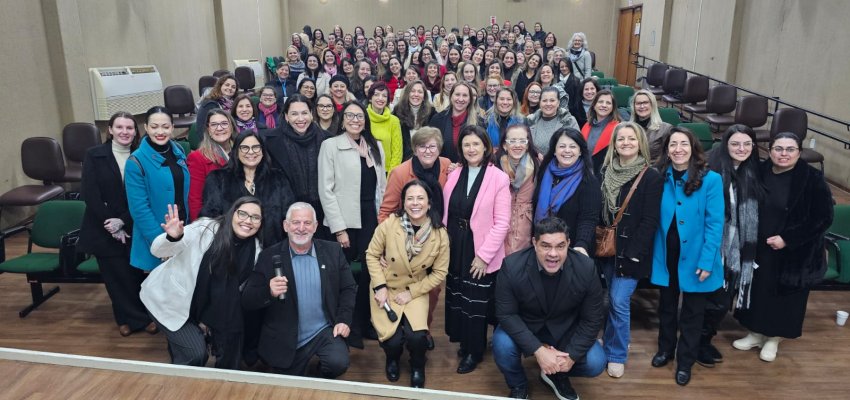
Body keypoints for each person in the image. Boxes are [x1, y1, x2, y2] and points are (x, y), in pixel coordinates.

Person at [732, 132, 833, 362]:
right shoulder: (759, 170)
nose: (783, 154)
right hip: (760, 246)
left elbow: (823, 217)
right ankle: (755, 333)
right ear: (770, 150)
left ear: (799, 152)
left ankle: (773, 339)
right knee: (759, 291)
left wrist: (788, 239)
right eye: (778, 149)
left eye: (790, 149)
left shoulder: (812, 178)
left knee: (785, 297)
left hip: (794, 251)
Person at [140, 198, 263, 369]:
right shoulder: (205, 229)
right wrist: (172, 237)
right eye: (242, 213)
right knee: (196, 353)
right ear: (232, 213)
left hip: (200, 307)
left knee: (223, 337)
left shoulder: (255, 249)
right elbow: (157, 250)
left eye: (255, 217)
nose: (248, 220)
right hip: (167, 301)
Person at [493, 216, 605, 400]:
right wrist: (538, 350)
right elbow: (506, 314)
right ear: (534, 243)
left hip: (566, 330)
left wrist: (572, 356)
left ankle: (557, 375)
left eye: (560, 246)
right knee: (502, 344)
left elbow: (592, 318)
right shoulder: (512, 266)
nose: (553, 254)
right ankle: (518, 385)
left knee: (596, 362)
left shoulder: (586, 268)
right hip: (527, 327)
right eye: (546, 246)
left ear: (568, 244)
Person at [241, 202, 356, 378]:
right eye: (295, 222)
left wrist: (343, 319)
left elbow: (348, 288)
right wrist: (268, 291)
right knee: (288, 384)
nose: (301, 228)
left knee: (337, 362)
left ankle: (320, 374)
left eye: (307, 223)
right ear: (286, 226)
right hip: (285, 334)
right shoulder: (268, 256)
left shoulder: (332, 251)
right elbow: (248, 299)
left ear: (316, 226)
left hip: (323, 330)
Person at [650, 127, 724, 386]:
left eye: (683, 144)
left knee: (693, 312)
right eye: (673, 144)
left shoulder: (711, 179)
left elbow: (715, 224)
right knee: (666, 306)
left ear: (693, 148)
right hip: (666, 253)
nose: (678, 149)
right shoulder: (659, 175)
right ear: (667, 150)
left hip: (696, 256)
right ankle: (665, 350)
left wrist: (706, 261)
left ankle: (685, 362)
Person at [78, 111, 156, 337]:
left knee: (134, 274)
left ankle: (140, 316)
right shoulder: (94, 155)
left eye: (129, 128)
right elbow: (90, 193)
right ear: (110, 130)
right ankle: (127, 318)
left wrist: (123, 221)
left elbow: (146, 195)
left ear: (136, 132)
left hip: (134, 222)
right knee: (115, 275)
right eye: (119, 127)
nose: (124, 132)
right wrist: (111, 224)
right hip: (103, 226)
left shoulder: (143, 155)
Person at [366, 180, 449, 388]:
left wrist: (412, 293)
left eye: (420, 198)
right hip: (387, 287)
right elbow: (372, 255)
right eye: (410, 198)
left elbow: (440, 273)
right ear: (403, 202)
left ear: (429, 203)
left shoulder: (440, 234)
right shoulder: (390, 224)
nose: (415, 203)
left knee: (418, 338)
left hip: (416, 289)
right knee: (391, 341)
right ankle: (392, 359)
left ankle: (417, 365)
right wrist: (380, 286)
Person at [442, 125, 511, 374]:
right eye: (466, 144)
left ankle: (475, 351)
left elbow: (502, 222)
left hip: (479, 247)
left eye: (476, 144)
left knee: (476, 302)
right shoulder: (455, 173)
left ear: (486, 147)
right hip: (455, 243)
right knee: (458, 295)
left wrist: (483, 256)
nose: (471, 149)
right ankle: (464, 342)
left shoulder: (499, 178)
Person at [319, 100, 387, 347]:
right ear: (342, 118)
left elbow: (382, 187)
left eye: (360, 116)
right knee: (344, 276)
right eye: (350, 116)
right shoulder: (330, 146)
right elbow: (326, 191)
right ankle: (343, 323)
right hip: (344, 221)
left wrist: (383, 222)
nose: (355, 120)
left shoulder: (375, 146)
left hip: (371, 217)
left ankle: (364, 322)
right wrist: (339, 228)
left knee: (370, 273)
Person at [598, 122, 663, 378]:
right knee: (606, 300)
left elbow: (650, 220)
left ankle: (617, 354)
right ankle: (610, 340)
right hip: (605, 247)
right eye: (621, 139)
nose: (625, 143)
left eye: (631, 139)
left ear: (640, 143)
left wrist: (634, 251)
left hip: (631, 252)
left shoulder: (651, 176)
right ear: (614, 144)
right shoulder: (604, 170)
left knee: (618, 300)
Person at [697, 125, 762, 367]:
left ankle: (704, 339)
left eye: (747, 144)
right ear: (725, 145)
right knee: (713, 301)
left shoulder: (753, 172)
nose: (741, 149)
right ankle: (698, 342)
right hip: (714, 247)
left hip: (738, 251)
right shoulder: (710, 171)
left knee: (721, 301)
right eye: (735, 144)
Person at [201, 131, 294, 246]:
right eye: (244, 148)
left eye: (256, 147)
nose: (251, 152)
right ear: (236, 152)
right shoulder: (218, 179)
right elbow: (211, 218)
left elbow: (289, 215)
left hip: (271, 250)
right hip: (231, 249)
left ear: (263, 151)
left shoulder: (278, 178)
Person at [126, 106, 190, 271]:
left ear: (173, 127)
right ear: (146, 127)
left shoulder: (179, 150)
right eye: (154, 127)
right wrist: (162, 243)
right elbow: (139, 209)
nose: (160, 132)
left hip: (182, 229)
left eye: (165, 126)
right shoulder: (135, 161)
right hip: (157, 236)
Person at [262, 94, 332, 240]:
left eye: (304, 113)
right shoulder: (270, 141)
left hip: (323, 214)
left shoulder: (327, 139)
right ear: (286, 117)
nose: (300, 119)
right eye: (294, 114)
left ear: (312, 114)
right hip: (285, 214)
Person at [496, 123, 539, 255]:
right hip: (501, 219)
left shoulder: (538, 164)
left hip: (527, 222)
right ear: (504, 145)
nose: (517, 145)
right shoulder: (495, 164)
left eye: (522, 141)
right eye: (512, 141)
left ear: (527, 144)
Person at [188, 109, 233, 220]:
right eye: (214, 125)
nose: (219, 128)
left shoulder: (241, 150)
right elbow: (195, 200)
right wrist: (200, 228)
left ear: (231, 126)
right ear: (208, 129)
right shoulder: (197, 158)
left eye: (224, 123)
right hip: (215, 220)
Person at [429, 82, 482, 162]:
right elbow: (430, 148)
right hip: (442, 169)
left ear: (470, 99)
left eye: (465, 95)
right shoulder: (437, 120)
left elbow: (482, 151)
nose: (460, 99)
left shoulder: (480, 122)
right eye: (457, 94)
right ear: (451, 96)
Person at [527, 87, 581, 154]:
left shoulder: (569, 121)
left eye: (552, 100)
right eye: (544, 101)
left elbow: (577, 146)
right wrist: (536, 155)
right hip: (535, 163)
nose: (548, 104)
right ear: (540, 103)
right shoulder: (530, 121)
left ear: (558, 103)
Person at [582, 89, 621, 176]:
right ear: (594, 105)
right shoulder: (586, 125)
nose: (604, 105)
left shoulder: (618, 129)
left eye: (608, 103)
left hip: (606, 174)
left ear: (613, 107)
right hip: (585, 172)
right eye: (600, 102)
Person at [393, 80, 435, 161]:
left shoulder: (432, 113)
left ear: (424, 97)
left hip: (426, 159)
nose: (416, 94)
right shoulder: (397, 112)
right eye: (412, 91)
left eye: (420, 92)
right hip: (403, 160)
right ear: (407, 94)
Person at [366, 82, 403, 171]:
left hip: (386, 171)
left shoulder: (394, 121)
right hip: (366, 170)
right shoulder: (362, 117)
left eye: (384, 96)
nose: (380, 98)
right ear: (370, 98)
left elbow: (397, 152)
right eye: (376, 95)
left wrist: (391, 175)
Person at [629, 89, 674, 161]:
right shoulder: (628, 128)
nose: (642, 106)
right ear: (633, 106)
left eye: (645, 102)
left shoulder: (666, 129)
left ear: (652, 105)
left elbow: (669, 157)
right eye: (638, 103)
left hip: (653, 168)